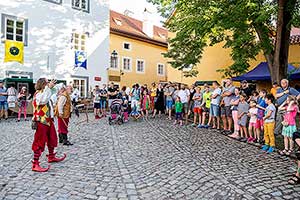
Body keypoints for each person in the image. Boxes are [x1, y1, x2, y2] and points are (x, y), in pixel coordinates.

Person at [31, 78, 66, 172]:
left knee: (52, 138)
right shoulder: (38, 94)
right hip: (41, 121)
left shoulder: (45, 92)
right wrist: (48, 88)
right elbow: (43, 100)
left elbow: (51, 99)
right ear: (43, 84)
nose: (48, 84)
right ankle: (35, 163)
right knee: (39, 141)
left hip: (48, 121)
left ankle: (51, 156)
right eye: (46, 83)